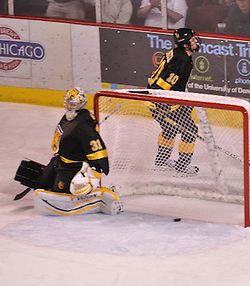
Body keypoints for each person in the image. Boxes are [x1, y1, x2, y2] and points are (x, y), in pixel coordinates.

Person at [13, 87, 122, 215]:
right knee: (42, 183)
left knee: (61, 191)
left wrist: (96, 170)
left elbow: (96, 147)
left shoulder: (83, 124)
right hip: (59, 161)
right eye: (69, 103)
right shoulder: (69, 117)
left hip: (73, 166)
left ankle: (101, 197)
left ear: (80, 104)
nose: (70, 107)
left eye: (73, 104)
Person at [147, 28, 201, 175]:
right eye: (193, 40)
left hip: (157, 100)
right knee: (191, 131)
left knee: (169, 130)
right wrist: (162, 108)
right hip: (162, 102)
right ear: (185, 44)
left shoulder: (179, 53)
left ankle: (161, 160)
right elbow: (163, 85)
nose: (196, 41)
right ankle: (182, 166)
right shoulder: (182, 60)